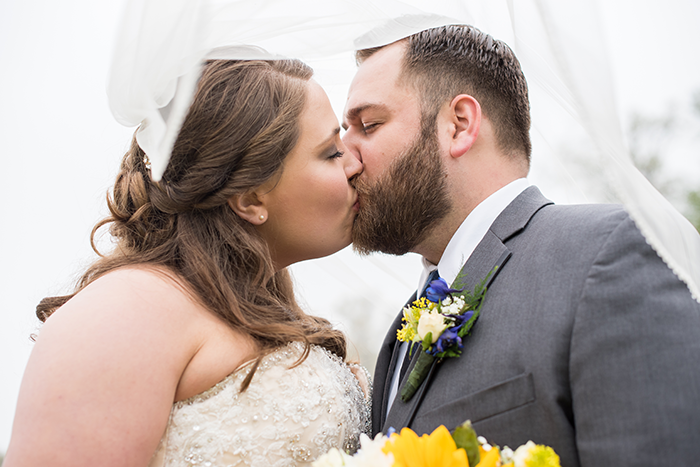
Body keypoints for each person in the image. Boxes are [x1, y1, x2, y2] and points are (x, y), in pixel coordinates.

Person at [342, 24, 700, 466]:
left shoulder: (610, 255)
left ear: (459, 126)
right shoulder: (400, 334)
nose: (345, 157)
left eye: (369, 125)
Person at [5, 59, 369, 467]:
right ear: (250, 197)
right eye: (331, 152)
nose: (355, 165)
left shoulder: (254, 304)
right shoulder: (127, 311)